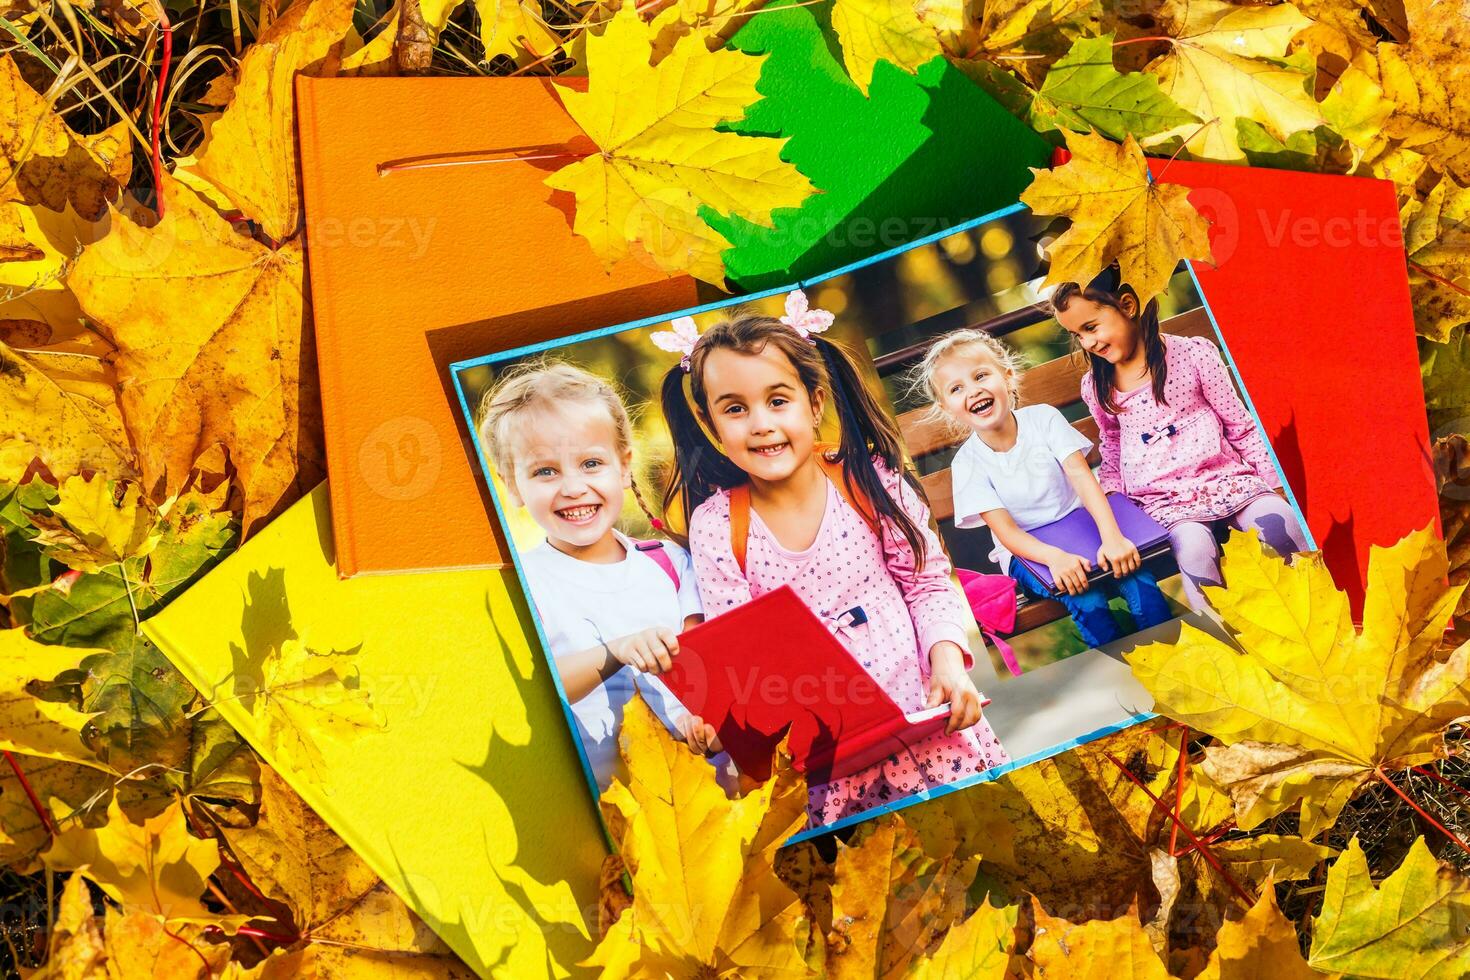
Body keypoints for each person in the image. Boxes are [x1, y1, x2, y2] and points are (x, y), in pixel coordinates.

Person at [657, 291, 1009, 827]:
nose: (760, 423)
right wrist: (720, 719)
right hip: (828, 759)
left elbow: (927, 583)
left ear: (814, 404)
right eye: (735, 409)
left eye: (778, 400)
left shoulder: (868, 481)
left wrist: (947, 662)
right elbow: (738, 644)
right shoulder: (717, 525)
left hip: (926, 715)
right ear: (710, 424)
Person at [478, 360, 734, 791]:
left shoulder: (669, 562)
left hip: (708, 791)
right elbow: (536, 692)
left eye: (591, 463)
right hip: (609, 811)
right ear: (512, 486)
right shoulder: (523, 584)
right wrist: (617, 649)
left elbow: (710, 671)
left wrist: (709, 724)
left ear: (624, 465)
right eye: (545, 472)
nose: (573, 487)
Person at [1052, 264, 1309, 613]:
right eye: (1078, 335)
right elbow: (1111, 444)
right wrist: (1115, 504)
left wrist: (1275, 483)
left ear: (1128, 306)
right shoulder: (1096, 387)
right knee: (1193, 549)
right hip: (1165, 500)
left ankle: (1309, 609)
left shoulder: (1194, 354)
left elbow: (1240, 425)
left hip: (1225, 478)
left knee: (1277, 519)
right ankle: (1230, 640)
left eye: (1091, 327)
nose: (1088, 343)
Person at [914, 327, 1173, 648]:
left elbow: (1083, 479)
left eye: (981, 376)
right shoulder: (967, 463)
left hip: (1084, 529)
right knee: (1085, 599)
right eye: (956, 388)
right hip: (1029, 554)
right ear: (946, 407)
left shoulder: (1044, 420)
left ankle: (1171, 660)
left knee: (1139, 581)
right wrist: (1054, 558)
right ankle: (1128, 673)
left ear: (1007, 377)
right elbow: (1007, 534)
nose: (973, 391)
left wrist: (1112, 537)